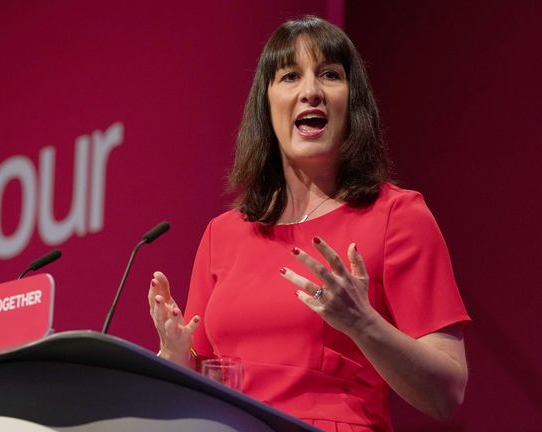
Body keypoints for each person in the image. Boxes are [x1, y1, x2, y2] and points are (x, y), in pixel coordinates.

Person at [148, 16, 469, 432]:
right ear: (266, 104)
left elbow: (446, 395)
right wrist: (175, 358)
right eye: (290, 76)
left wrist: (362, 322)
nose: (311, 92)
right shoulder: (222, 234)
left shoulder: (397, 216)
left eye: (330, 75)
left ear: (352, 101)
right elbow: (204, 387)